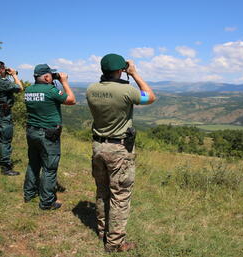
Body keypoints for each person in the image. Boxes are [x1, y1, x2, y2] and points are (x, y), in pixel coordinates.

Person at [86, 53, 156, 252]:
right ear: (120, 70)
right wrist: (134, 74)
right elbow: (150, 96)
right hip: (119, 149)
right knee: (120, 195)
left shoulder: (91, 90)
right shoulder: (126, 90)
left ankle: (102, 231)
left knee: (102, 190)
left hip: (98, 146)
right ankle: (115, 243)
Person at [23, 64, 76, 210]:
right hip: (48, 134)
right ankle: (47, 202)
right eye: (51, 75)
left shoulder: (28, 90)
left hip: (31, 131)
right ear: (46, 77)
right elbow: (71, 100)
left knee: (33, 164)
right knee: (49, 168)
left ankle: (29, 193)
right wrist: (64, 81)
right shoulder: (50, 90)